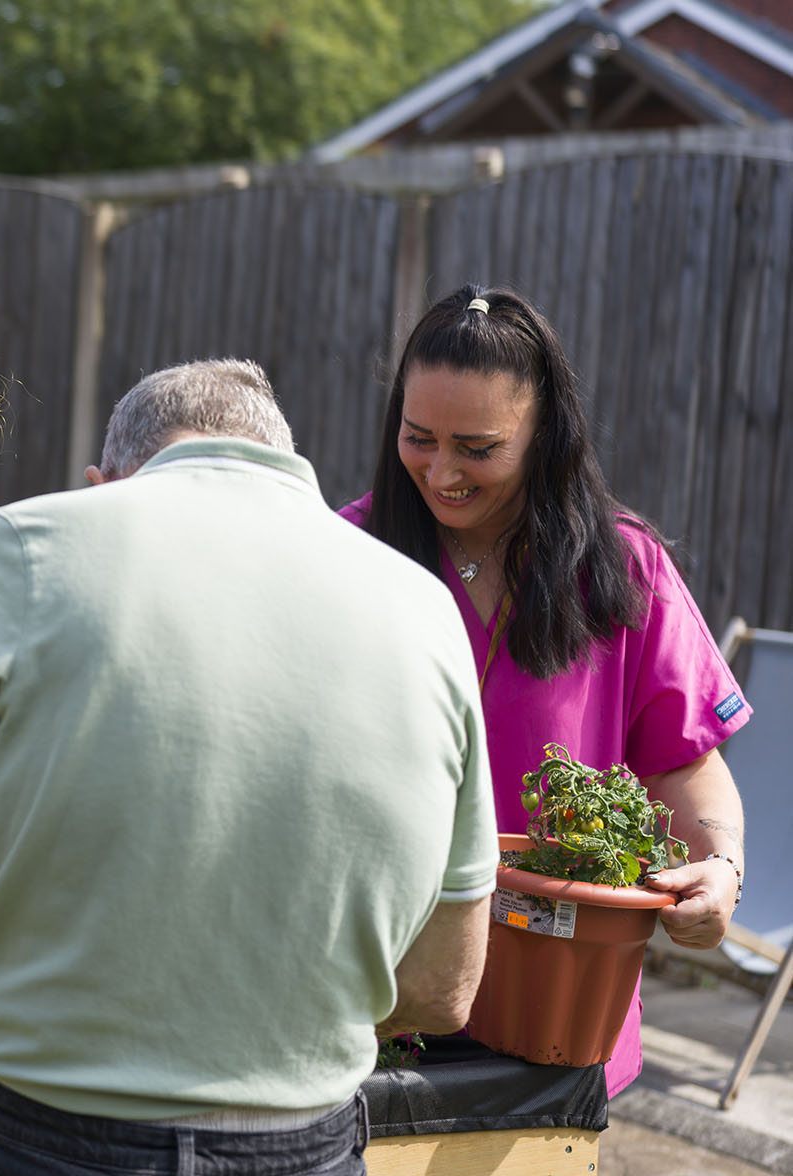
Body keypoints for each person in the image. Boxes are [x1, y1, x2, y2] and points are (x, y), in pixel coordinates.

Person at [0, 359, 498, 1176]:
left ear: (105, 483)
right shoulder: (426, 607)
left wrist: (36, 1015)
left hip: (28, 1129)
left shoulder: (25, 547)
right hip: (298, 1145)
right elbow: (443, 990)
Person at [339, 283, 750, 1098]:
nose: (441, 471)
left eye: (478, 447)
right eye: (416, 439)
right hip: (371, 1001)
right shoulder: (343, 552)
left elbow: (680, 764)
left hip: (554, 1008)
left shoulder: (625, 569)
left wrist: (720, 869)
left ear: (544, 437)